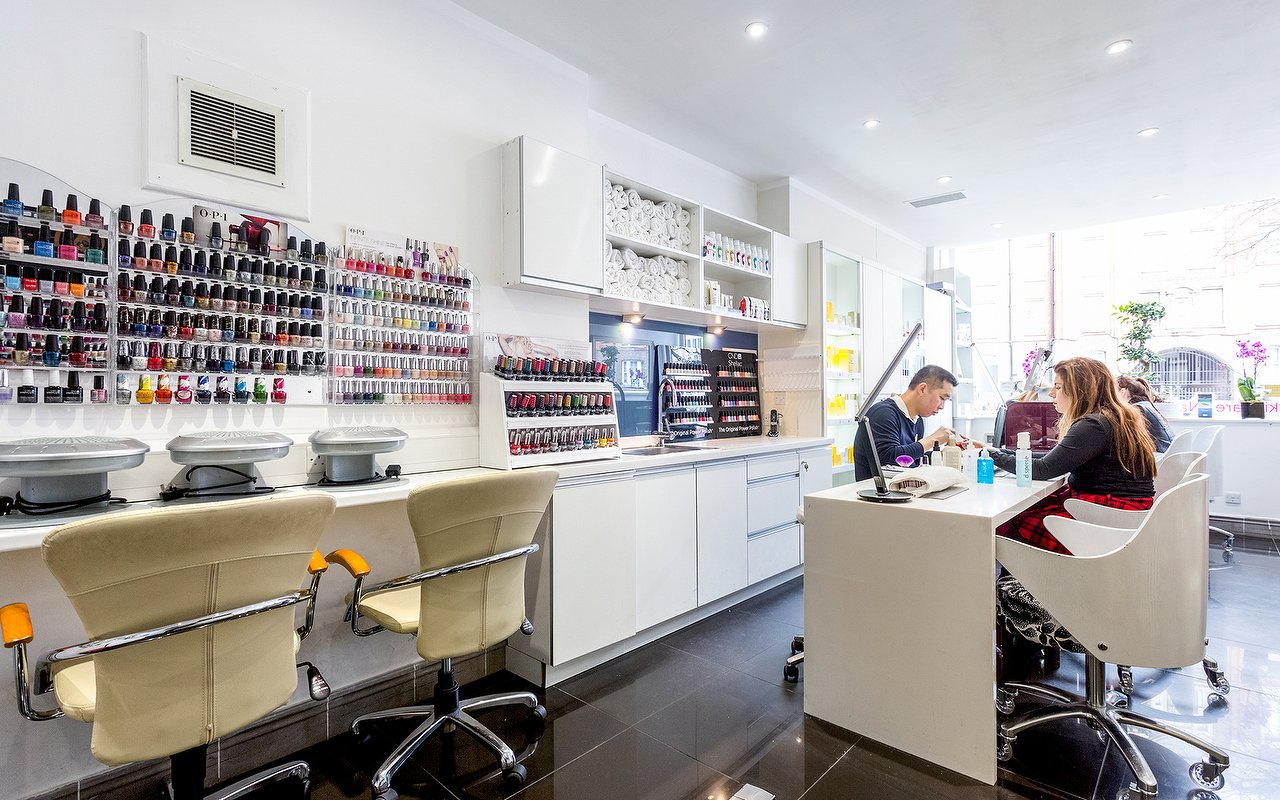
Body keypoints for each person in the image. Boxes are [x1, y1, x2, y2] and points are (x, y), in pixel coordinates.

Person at [989, 357, 1156, 655]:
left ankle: (1028, 612)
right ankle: (1029, 606)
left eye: (1058, 387)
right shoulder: (1116, 416)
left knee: (1008, 526)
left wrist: (991, 455)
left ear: (1080, 389)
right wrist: (1004, 455)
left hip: (1105, 517)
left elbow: (1043, 470)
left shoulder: (1092, 425)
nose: (1052, 394)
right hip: (1124, 512)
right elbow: (1056, 461)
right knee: (1028, 514)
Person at [853, 365, 957, 481]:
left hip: (904, 488)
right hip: (876, 490)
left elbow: (912, 460)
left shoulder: (917, 420)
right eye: (942, 398)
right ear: (922, 389)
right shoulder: (883, 413)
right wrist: (932, 439)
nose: (942, 406)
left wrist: (945, 454)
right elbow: (890, 459)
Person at [1117, 375, 1173, 453]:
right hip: (1167, 451)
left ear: (1123, 392)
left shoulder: (1138, 408)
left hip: (1159, 454)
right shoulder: (1145, 405)